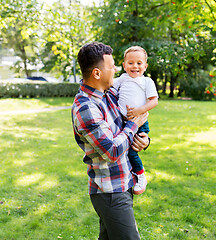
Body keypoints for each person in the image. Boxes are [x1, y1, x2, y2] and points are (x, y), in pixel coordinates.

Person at [71, 42, 150, 240]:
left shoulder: (111, 94)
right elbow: (112, 150)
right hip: (110, 191)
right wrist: (133, 126)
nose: (116, 69)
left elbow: (133, 118)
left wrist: (144, 139)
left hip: (124, 182)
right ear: (97, 73)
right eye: (112, 66)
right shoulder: (86, 108)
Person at [113, 46, 158, 195]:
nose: (135, 66)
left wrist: (139, 110)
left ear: (145, 66)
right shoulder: (122, 79)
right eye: (131, 63)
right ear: (124, 65)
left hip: (140, 122)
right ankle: (129, 173)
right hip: (122, 122)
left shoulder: (147, 82)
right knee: (121, 149)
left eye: (139, 63)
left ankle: (140, 175)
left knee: (132, 152)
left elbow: (154, 101)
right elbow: (109, 88)